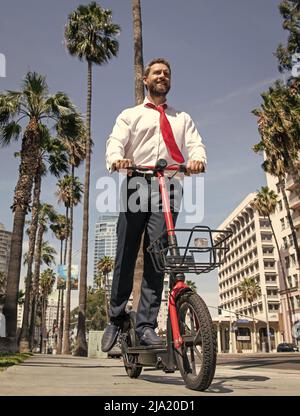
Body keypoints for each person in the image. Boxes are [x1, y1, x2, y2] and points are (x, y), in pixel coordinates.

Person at [101, 58, 207, 352]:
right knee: (126, 249)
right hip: (137, 181)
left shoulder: (181, 118)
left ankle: (146, 325)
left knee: (157, 257)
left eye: (167, 73)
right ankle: (117, 315)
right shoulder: (130, 115)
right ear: (145, 80)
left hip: (170, 185)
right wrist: (117, 159)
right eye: (157, 72)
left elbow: (195, 144)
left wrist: (197, 160)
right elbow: (115, 142)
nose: (163, 76)